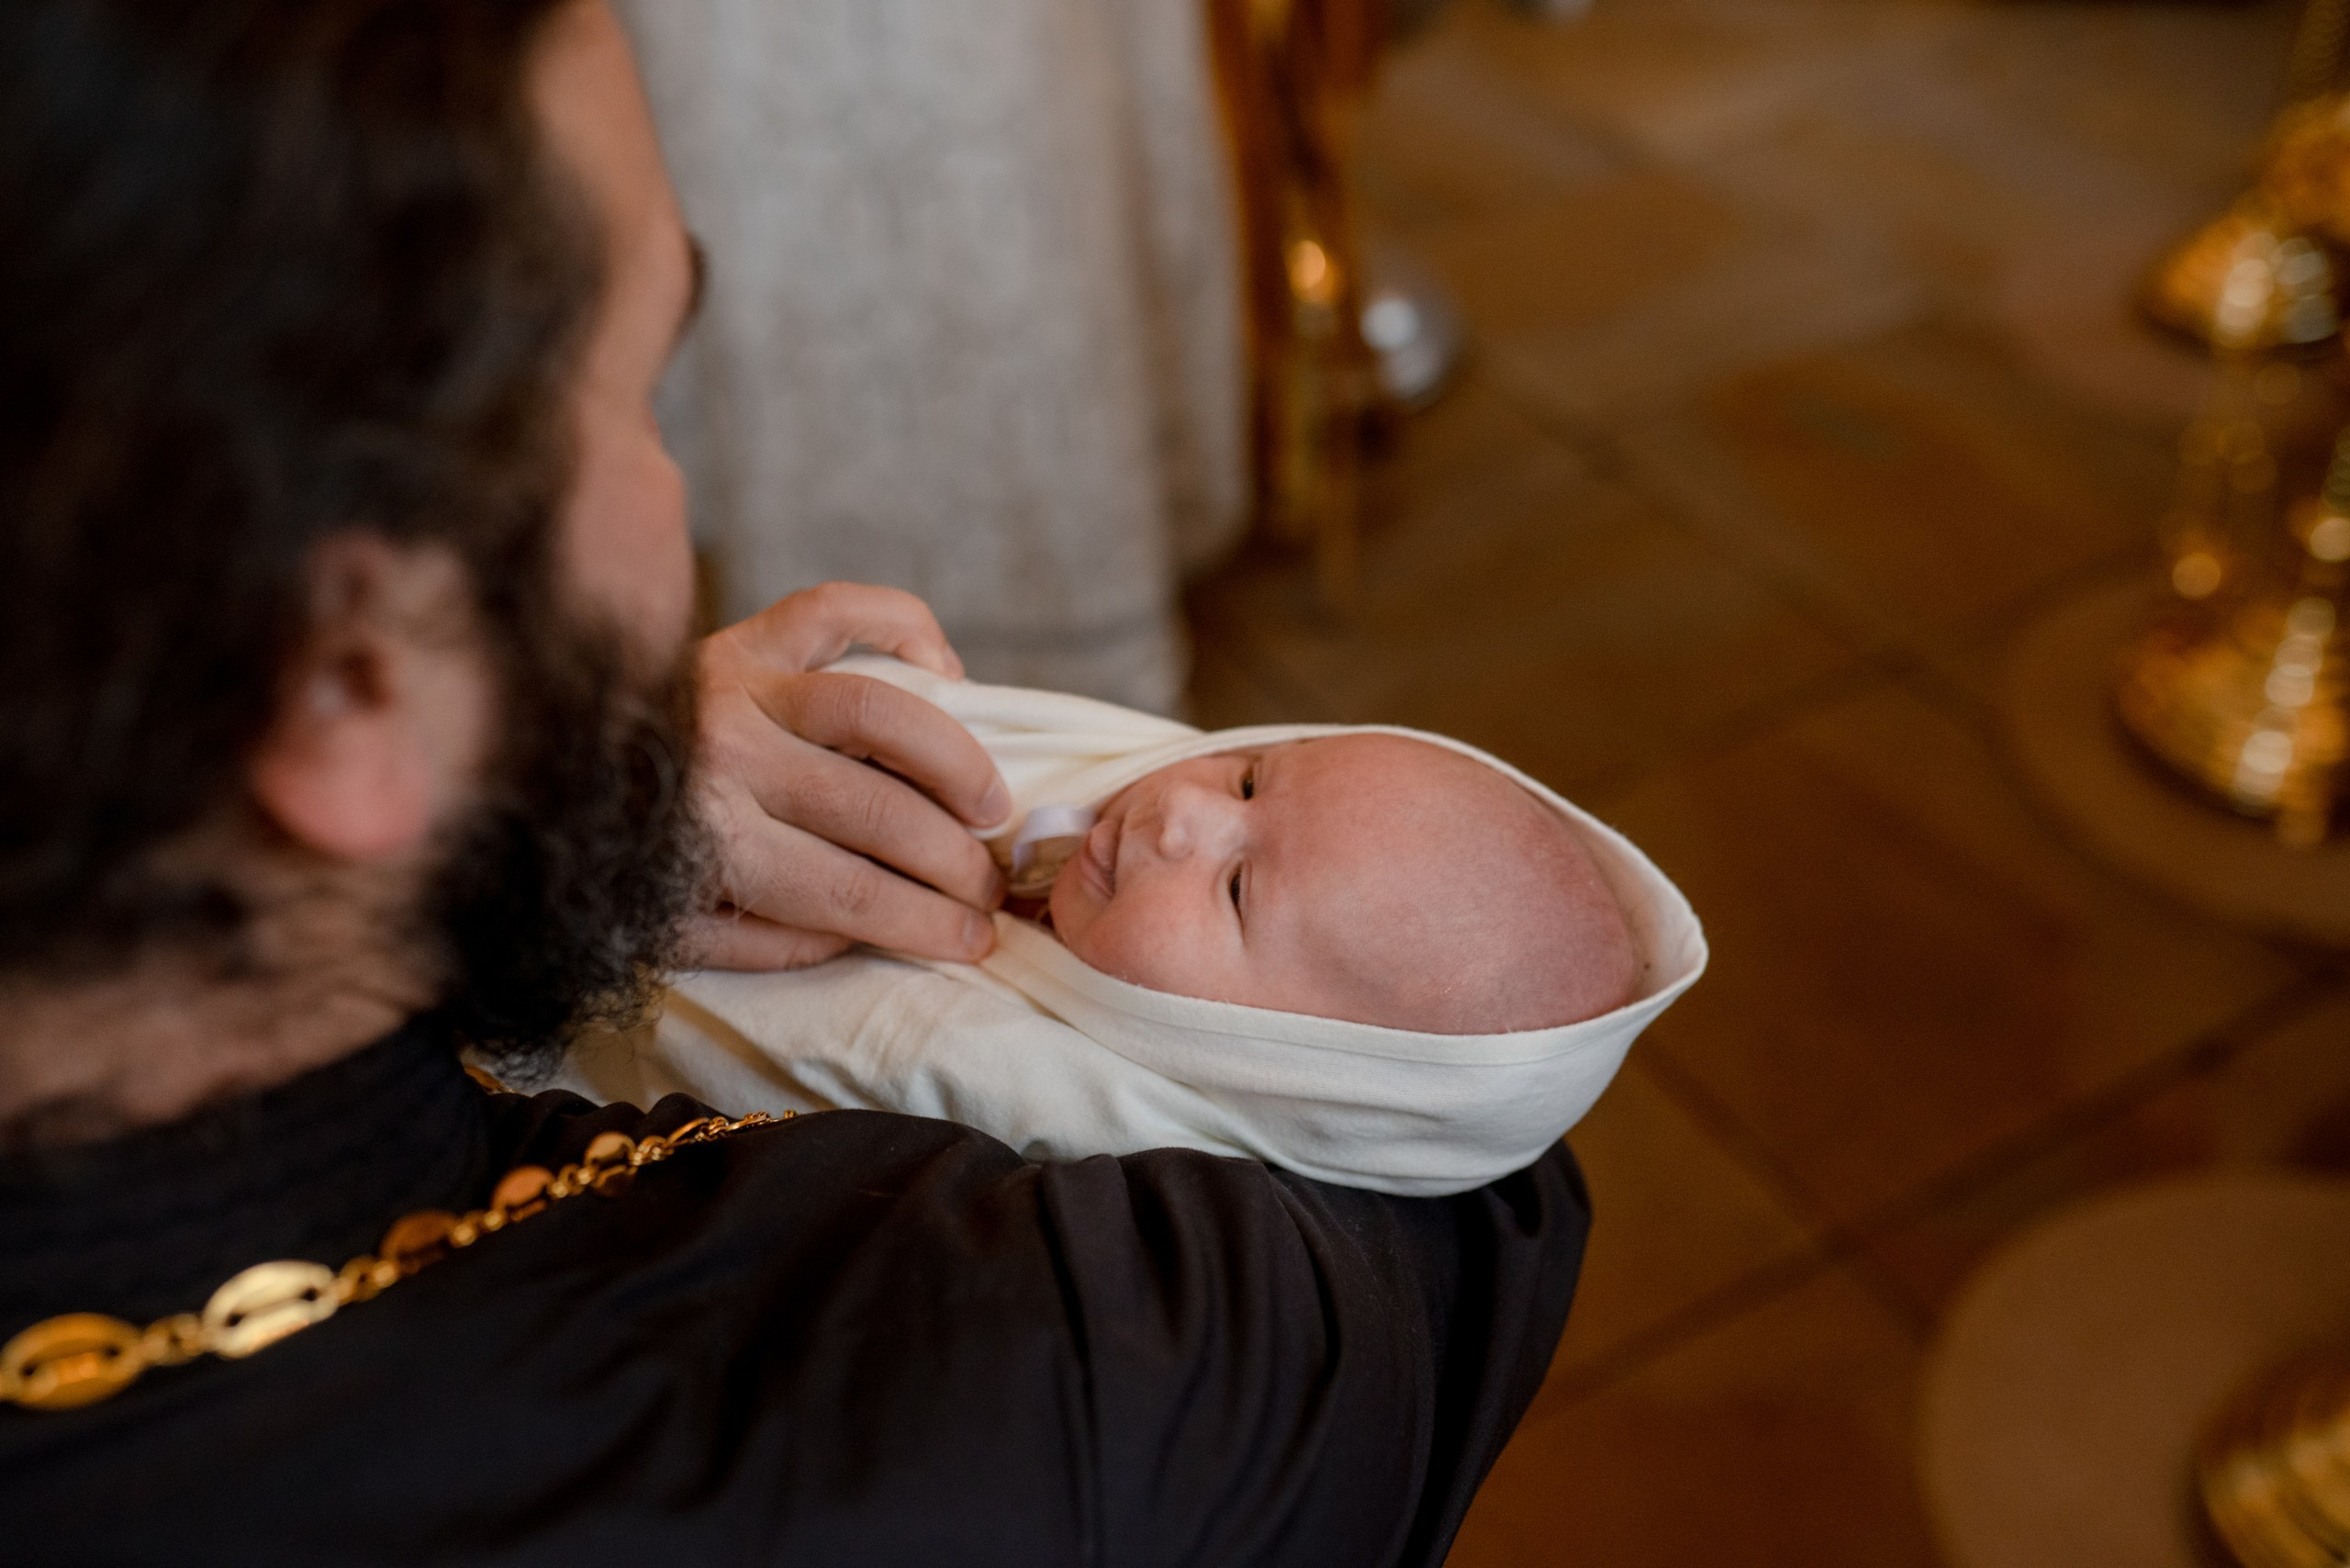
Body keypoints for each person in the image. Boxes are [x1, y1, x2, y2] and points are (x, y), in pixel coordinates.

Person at [0, 3, 1591, 1561]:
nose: (683, 524)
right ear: (352, 691)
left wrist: (520, 796)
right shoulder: (1060, 1395)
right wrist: (554, 794)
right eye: (638, 403)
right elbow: (1477, 1146)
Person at [563, 655, 1708, 1195]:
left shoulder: (1061, 1117)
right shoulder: (1111, 784)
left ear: (1275, 1060)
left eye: (1237, 889)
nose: (1178, 813)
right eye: (1252, 776)